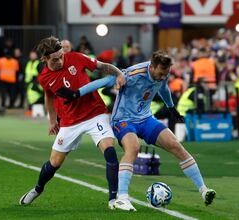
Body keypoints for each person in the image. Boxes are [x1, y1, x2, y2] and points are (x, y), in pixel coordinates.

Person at [56, 50, 216, 211]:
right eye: (160, 73)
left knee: (176, 145)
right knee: (133, 147)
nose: (162, 76)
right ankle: (122, 198)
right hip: (123, 121)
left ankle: (203, 190)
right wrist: (77, 93)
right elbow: (106, 81)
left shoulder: (163, 74)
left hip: (146, 119)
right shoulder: (133, 74)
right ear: (152, 67)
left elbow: (164, 88)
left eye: (165, 74)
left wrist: (171, 108)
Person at [19, 36, 126, 209]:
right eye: (55, 59)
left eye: (61, 56)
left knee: (110, 152)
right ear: (44, 59)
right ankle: (38, 189)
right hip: (70, 121)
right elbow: (50, 96)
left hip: (95, 113)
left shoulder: (76, 57)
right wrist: (52, 120)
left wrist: (119, 73)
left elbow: (103, 66)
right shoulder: (45, 78)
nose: (60, 60)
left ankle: (113, 200)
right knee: (54, 163)